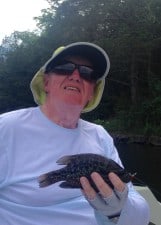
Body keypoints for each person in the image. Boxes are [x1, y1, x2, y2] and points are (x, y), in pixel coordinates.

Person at [0, 42, 150, 225]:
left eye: (87, 73)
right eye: (65, 68)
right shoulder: (7, 128)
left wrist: (118, 210)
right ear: (46, 82)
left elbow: (139, 213)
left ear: (91, 93)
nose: (76, 76)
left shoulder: (100, 135)